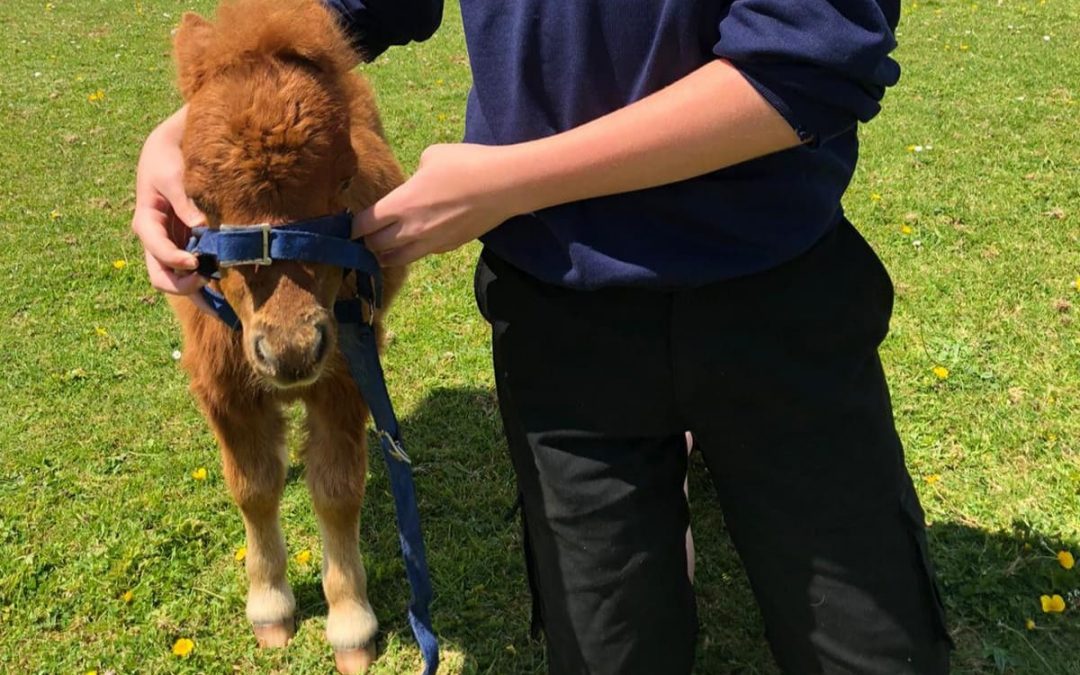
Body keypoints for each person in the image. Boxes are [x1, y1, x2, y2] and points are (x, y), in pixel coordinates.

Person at [132, 0, 953, 672]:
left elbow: (812, 51)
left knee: (872, 653)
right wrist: (197, 119)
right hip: (564, 316)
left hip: (766, 292)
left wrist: (513, 180)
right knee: (607, 653)